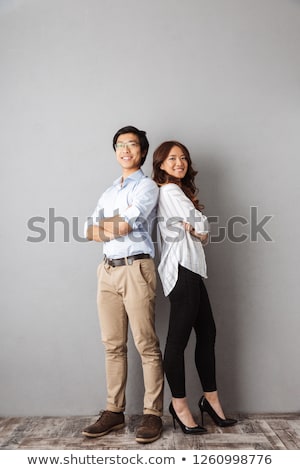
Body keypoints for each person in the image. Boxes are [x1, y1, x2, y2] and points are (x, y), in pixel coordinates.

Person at [82, 126, 164, 444]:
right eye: (120, 144)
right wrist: (109, 227)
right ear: (115, 151)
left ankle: (152, 414)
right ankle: (114, 412)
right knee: (112, 345)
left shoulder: (147, 187)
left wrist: (109, 226)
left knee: (146, 344)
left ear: (141, 151)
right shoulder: (109, 192)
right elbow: (88, 230)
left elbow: (126, 225)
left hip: (136, 269)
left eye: (131, 144)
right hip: (107, 271)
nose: (125, 149)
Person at [152, 140, 237, 434]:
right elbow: (201, 225)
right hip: (182, 269)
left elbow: (202, 229)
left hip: (192, 270)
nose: (180, 162)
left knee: (207, 333)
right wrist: (198, 227)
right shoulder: (170, 190)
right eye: (172, 158)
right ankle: (179, 405)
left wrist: (199, 228)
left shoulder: (178, 192)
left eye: (184, 158)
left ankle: (210, 400)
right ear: (161, 164)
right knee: (177, 342)